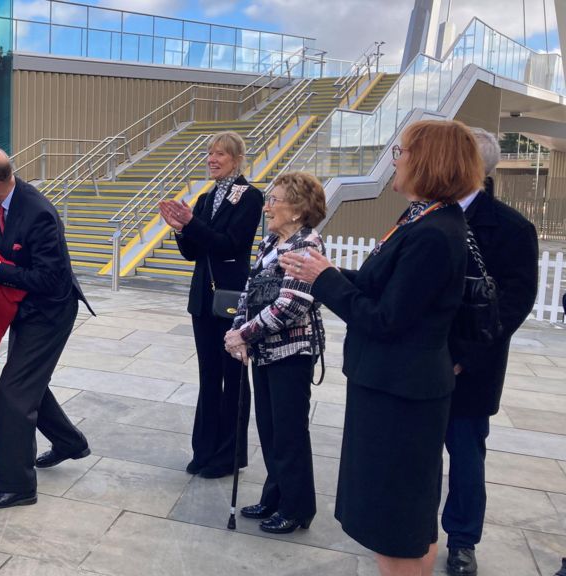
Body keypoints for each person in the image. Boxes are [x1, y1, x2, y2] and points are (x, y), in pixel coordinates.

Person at [282, 119, 478, 576]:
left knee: (395, 523)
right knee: (407, 518)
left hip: (400, 394)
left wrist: (324, 279)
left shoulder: (434, 232)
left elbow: (386, 319)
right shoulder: (422, 219)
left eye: (402, 151)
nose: (396, 159)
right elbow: (383, 290)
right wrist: (326, 271)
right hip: (393, 386)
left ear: (428, 160)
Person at [0, 146, 94, 509]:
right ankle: (70, 442)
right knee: (28, 384)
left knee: (12, 393)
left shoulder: (39, 213)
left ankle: (17, 486)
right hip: (23, 308)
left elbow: (51, 278)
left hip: (51, 311)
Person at [442, 129, 539, 576]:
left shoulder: (513, 228)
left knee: (465, 454)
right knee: (419, 453)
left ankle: (463, 540)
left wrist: (464, 356)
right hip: (421, 361)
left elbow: (513, 306)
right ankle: (415, 527)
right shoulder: (423, 215)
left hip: (470, 367)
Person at [224, 171, 326, 534]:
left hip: (291, 353)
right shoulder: (270, 242)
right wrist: (237, 327)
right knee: (268, 428)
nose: (267, 206)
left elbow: (291, 307)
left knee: (289, 432)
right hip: (264, 351)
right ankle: (275, 495)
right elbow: (248, 291)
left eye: (275, 200)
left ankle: (298, 508)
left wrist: (244, 335)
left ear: (297, 209)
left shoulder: (307, 247)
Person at [158, 131, 263, 479]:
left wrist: (193, 225)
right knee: (208, 376)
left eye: (220, 154)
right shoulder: (205, 197)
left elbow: (229, 245)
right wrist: (179, 229)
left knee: (233, 377)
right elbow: (194, 253)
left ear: (236, 159)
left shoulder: (250, 197)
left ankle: (228, 455)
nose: (212, 159)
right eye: (210, 153)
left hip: (232, 299)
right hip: (203, 298)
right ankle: (203, 450)